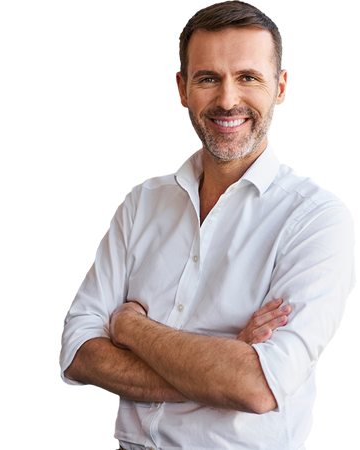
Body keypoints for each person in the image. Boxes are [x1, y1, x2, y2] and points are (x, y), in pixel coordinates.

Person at [59, 2, 355, 449]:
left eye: (248, 77)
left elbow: (257, 387)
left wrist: (129, 327)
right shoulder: (142, 204)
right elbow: (77, 352)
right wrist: (219, 368)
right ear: (182, 89)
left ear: (280, 87)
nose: (228, 100)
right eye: (208, 78)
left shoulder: (317, 221)